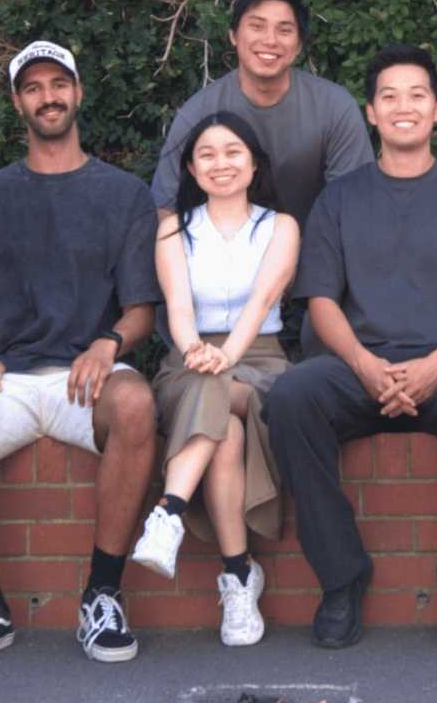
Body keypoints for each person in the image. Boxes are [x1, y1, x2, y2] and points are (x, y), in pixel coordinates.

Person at [0, 40, 161, 666]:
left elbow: (141, 310)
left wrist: (108, 343)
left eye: (58, 84)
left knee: (137, 406)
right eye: (33, 87)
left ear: (78, 93)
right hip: (7, 382)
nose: (48, 97)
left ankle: (102, 597)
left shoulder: (124, 193)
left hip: (89, 375)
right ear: (17, 102)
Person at [264, 44, 437, 651]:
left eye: (417, 95)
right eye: (389, 96)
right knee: (292, 397)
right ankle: (340, 576)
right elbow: (320, 301)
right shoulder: (339, 199)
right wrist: (363, 364)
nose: (404, 107)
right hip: (358, 368)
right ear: (371, 113)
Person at [132, 112, 300, 648]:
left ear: (253, 164)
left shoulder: (281, 226)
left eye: (232, 152)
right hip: (189, 359)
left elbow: (263, 300)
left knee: (216, 389)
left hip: (262, 361)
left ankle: (168, 513)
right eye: (206, 154)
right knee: (222, 429)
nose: (220, 163)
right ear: (190, 168)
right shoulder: (173, 229)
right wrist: (195, 351)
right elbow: (178, 308)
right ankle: (239, 575)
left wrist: (225, 355)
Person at [150, 0, 373, 353]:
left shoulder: (333, 107)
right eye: (256, 26)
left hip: (314, 275)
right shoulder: (200, 112)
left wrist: (293, 274)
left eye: (284, 30)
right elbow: (166, 206)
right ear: (233, 35)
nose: (269, 40)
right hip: (219, 283)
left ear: (299, 45)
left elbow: (352, 207)